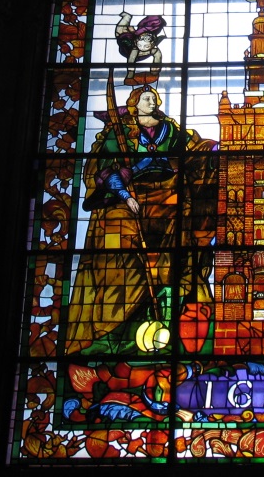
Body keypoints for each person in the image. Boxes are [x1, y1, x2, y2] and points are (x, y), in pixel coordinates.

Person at [66, 85, 218, 355]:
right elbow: (104, 171)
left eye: (154, 98)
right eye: (147, 98)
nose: (153, 101)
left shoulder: (171, 129)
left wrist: (209, 151)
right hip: (128, 204)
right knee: (122, 262)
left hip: (168, 200)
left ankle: (168, 316)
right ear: (135, 103)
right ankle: (116, 329)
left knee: (172, 257)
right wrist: (125, 190)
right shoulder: (119, 133)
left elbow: (195, 151)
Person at [115, 12, 166, 85]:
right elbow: (131, 61)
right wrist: (130, 76)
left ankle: (129, 25)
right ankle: (127, 17)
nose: (142, 48)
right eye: (140, 45)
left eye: (146, 46)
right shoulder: (135, 49)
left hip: (138, 48)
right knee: (120, 31)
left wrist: (155, 70)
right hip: (126, 48)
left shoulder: (154, 49)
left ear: (152, 44)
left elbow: (158, 56)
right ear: (136, 42)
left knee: (125, 31)